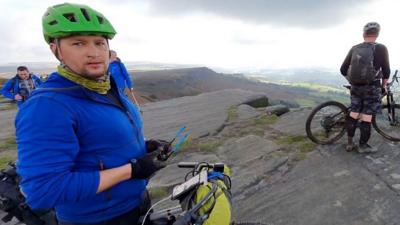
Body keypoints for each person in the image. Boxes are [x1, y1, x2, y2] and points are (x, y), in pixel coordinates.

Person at [16, 3, 166, 225]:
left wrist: (145, 146)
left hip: (137, 204)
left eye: (99, 43)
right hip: (97, 219)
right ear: (54, 49)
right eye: (78, 43)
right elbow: (43, 191)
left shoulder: (106, 87)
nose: (94, 52)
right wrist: (132, 170)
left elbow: (99, 143)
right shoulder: (47, 106)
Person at [340, 22, 390, 153]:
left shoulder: (355, 48)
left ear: (364, 34)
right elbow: (386, 70)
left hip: (355, 87)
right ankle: (363, 145)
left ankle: (350, 143)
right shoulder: (381, 48)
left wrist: (352, 81)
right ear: (377, 34)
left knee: (354, 113)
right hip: (372, 88)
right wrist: (384, 84)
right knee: (367, 116)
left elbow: (343, 69)